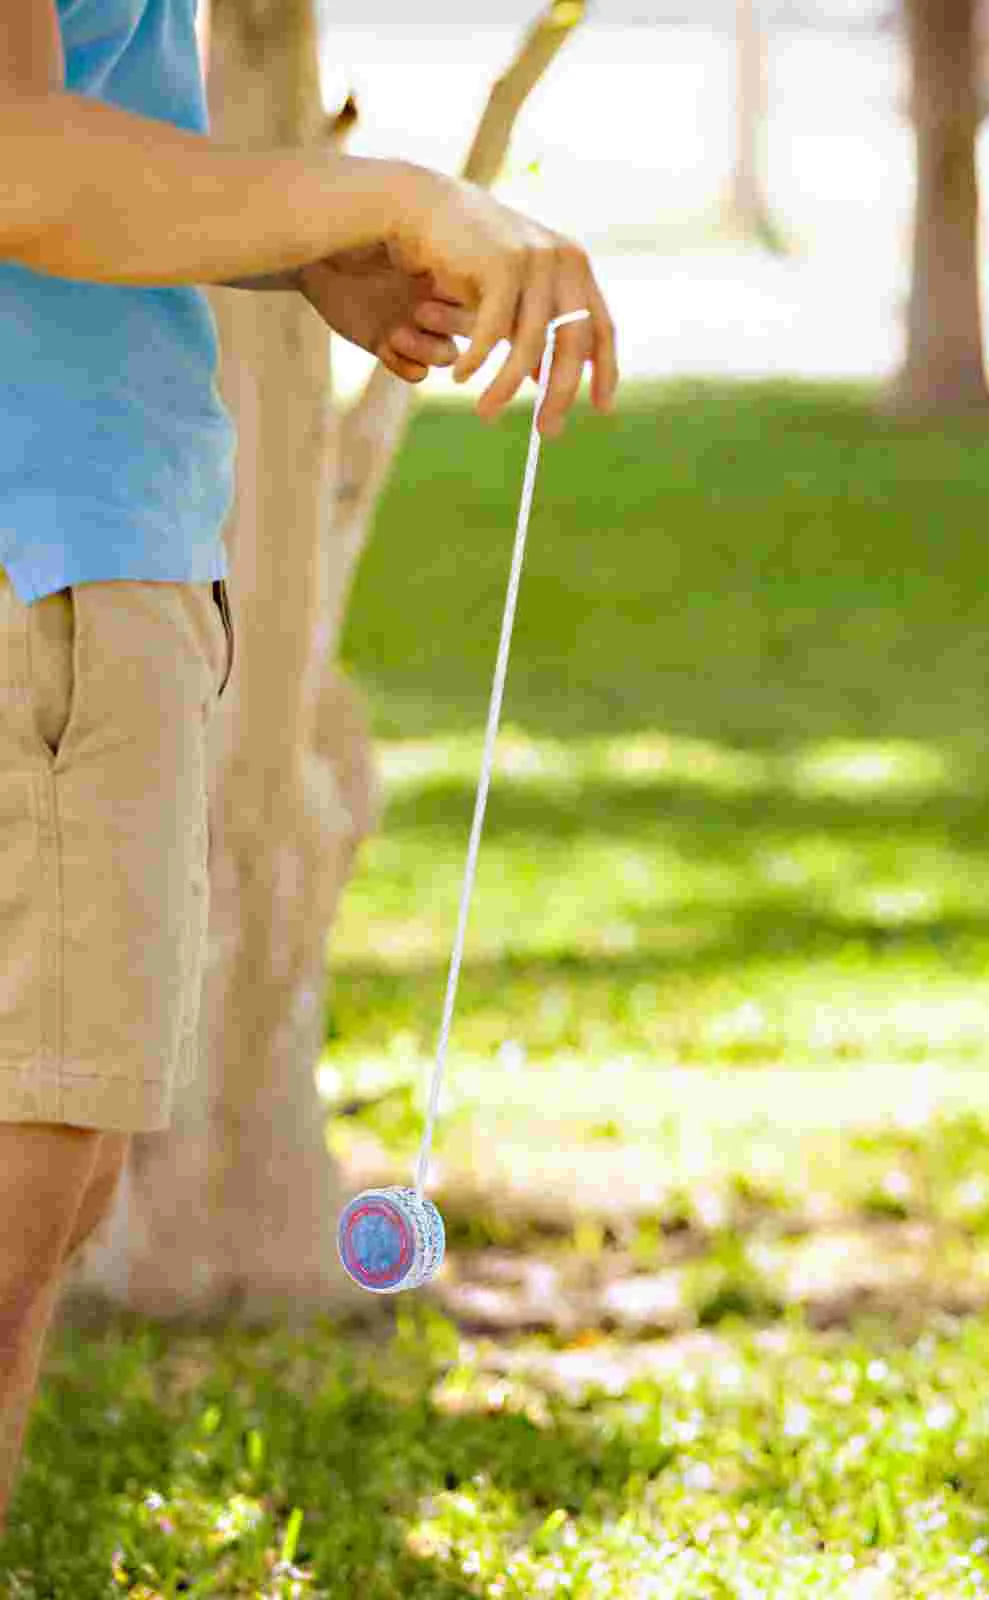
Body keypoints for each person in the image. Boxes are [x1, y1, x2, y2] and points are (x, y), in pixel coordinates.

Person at [0, 0, 617, 1537]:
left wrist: (281, 240)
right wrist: (386, 194)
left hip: (94, 540)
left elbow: (76, 121)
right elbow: (15, 156)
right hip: (39, 558)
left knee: (47, 1203)